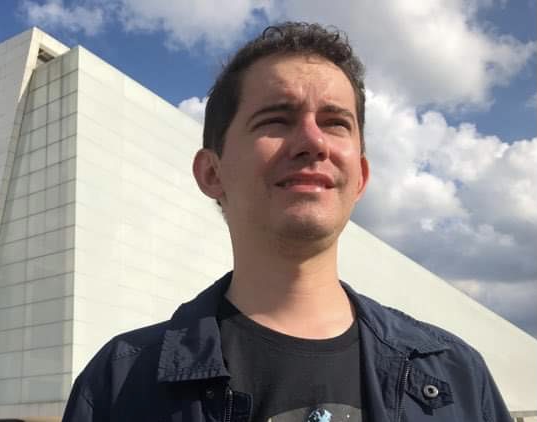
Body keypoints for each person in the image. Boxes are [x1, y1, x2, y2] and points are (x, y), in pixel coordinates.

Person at [62, 22, 511, 421]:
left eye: (335, 123)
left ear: (360, 177)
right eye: (276, 119)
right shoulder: (118, 385)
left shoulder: (457, 378)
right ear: (212, 173)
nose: (313, 142)